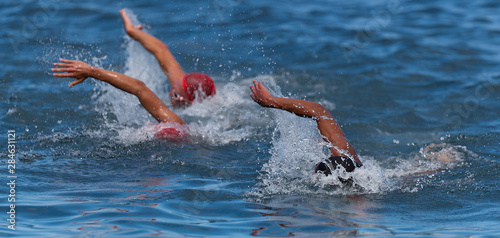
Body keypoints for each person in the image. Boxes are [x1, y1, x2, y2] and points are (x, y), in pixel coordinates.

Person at [249, 80, 363, 178]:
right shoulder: (347, 156)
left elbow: (319, 111)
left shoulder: (341, 151)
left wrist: (270, 100)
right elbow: (319, 111)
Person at [51, 59, 186, 139]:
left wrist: (91, 71)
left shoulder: (178, 127)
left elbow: (139, 88)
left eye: (175, 94)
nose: (169, 94)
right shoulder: (186, 130)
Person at [119, 9, 216, 107]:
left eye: (175, 94)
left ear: (188, 102)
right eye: (173, 89)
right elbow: (160, 49)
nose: (169, 94)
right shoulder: (178, 84)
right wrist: (134, 32)